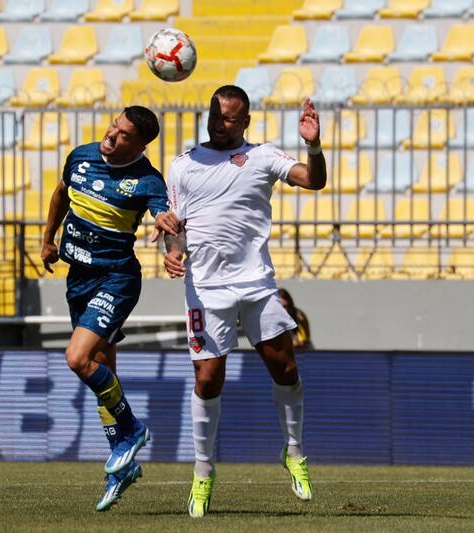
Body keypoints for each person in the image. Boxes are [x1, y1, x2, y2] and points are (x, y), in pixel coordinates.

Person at [157, 86, 326, 518]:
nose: (219, 124)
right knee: (208, 379)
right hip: (206, 287)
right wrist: (172, 252)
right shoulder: (183, 166)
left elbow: (316, 180)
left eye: (229, 118)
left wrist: (313, 145)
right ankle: (202, 471)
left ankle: (294, 452)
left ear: (244, 121)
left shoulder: (264, 157)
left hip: (256, 283)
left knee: (285, 367)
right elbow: (175, 225)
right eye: (215, 116)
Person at [41, 106, 175, 512]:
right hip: (77, 277)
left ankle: (132, 430)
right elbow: (61, 193)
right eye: (112, 127)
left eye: (122, 135)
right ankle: (121, 470)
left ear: (139, 144)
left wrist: (171, 244)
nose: (111, 136)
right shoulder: (81, 155)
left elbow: (163, 218)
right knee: (104, 373)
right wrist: (48, 239)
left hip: (115, 280)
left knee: (77, 359)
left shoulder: (148, 181)